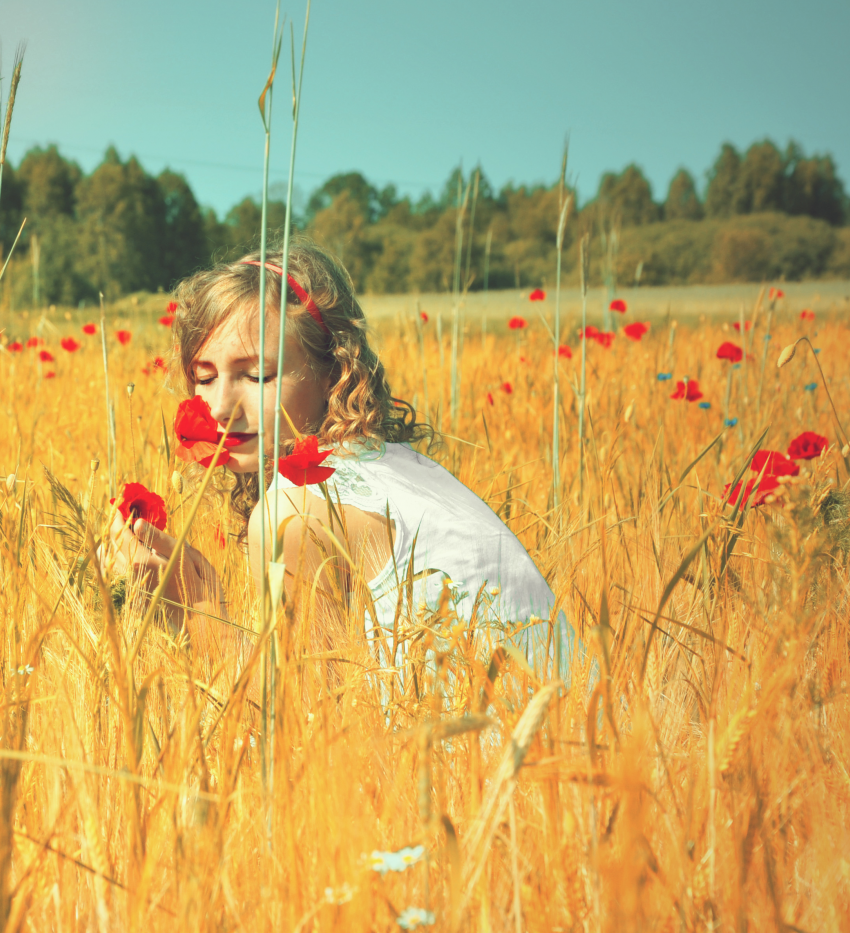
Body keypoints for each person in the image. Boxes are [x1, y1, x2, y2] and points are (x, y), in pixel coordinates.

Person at [99, 241, 563, 671]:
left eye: (258, 375)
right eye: (203, 377)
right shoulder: (392, 464)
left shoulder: (295, 514)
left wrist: (196, 608)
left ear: (332, 373)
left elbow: (301, 729)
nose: (219, 405)